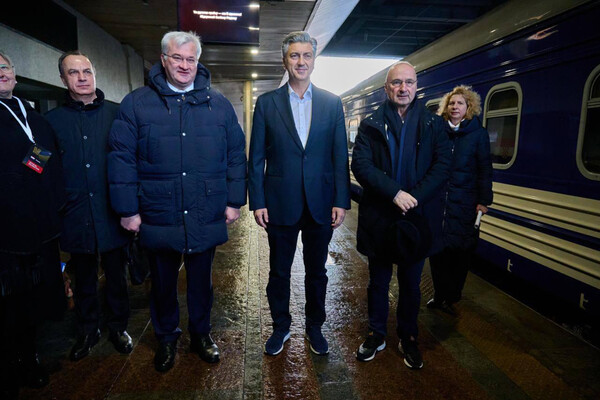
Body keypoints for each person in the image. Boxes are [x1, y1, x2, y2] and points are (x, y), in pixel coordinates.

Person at [108, 31, 246, 372]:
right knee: (162, 282)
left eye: (190, 59)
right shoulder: (136, 104)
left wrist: (234, 201)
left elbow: (234, 155)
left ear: (198, 62)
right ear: (163, 59)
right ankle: (166, 338)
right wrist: (127, 210)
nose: (184, 65)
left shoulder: (219, 105)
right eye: (177, 58)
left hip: (205, 208)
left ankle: (201, 334)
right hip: (158, 210)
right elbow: (121, 158)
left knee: (202, 282)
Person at [248, 31, 351, 357]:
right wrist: (257, 201)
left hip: (321, 202)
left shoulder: (332, 103)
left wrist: (341, 200)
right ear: (285, 61)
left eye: (307, 55)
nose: (301, 61)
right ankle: (281, 327)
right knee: (279, 271)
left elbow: (339, 156)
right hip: (280, 202)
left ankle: (314, 327)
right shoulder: (267, 103)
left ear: (314, 60)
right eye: (294, 55)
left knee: (317, 271)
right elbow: (256, 157)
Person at [351, 61, 451, 368]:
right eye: (396, 82)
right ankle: (376, 334)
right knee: (378, 282)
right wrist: (394, 193)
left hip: (416, 219)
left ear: (416, 86)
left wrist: (414, 197)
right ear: (387, 88)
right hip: (381, 217)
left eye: (409, 82)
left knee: (410, 284)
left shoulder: (434, 124)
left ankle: (408, 337)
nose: (403, 88)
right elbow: (361, 165)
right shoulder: (370, 124)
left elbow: (442, 166)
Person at [45, 51, 132, 361]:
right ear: (62, 78)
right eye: (73, 72)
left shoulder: (118, 114)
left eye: (86, 71)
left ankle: (118, 327)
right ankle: (87, 330)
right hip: (74, 212)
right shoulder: (50, 122)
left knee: (117, 275)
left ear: (94, 74)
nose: (82, 78)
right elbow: (38, 163)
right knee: (83, 278)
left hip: (112, 210)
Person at [0, 51, 65, 398]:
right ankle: (9, 364)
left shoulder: (33, 116)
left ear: (14, 72)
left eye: (4, 67)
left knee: (31, 301)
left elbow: (44, 158)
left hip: (39, 228)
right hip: (5, 233)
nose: (1, 73)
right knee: (7, 304)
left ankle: (29, 357)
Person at [427, 85, 493, 314]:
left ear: (468, 107)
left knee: (460, 253)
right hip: (439, 202)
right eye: (451, 103)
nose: (455, 107)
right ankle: (439, 294)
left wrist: (484, 200)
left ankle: (452, 296)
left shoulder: (478, 134)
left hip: (465, 203)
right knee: (437, 252)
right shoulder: (438, 131)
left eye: (460, 103)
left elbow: (485, 169)